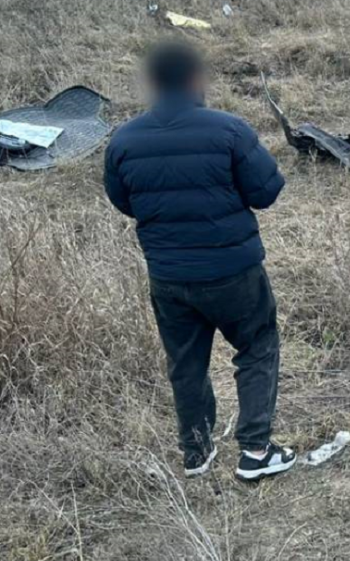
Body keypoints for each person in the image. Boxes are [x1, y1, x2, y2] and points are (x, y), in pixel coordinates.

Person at [103, 40, 295, 481]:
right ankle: (256, 452)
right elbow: (267, 191)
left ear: (152, 83)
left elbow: (124, 201)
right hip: (233, 272)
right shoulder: (230, 130)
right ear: (196, 79)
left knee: (185, 364)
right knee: (257, 346)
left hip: (168, 276)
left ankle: (196, 454)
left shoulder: (124, 140)